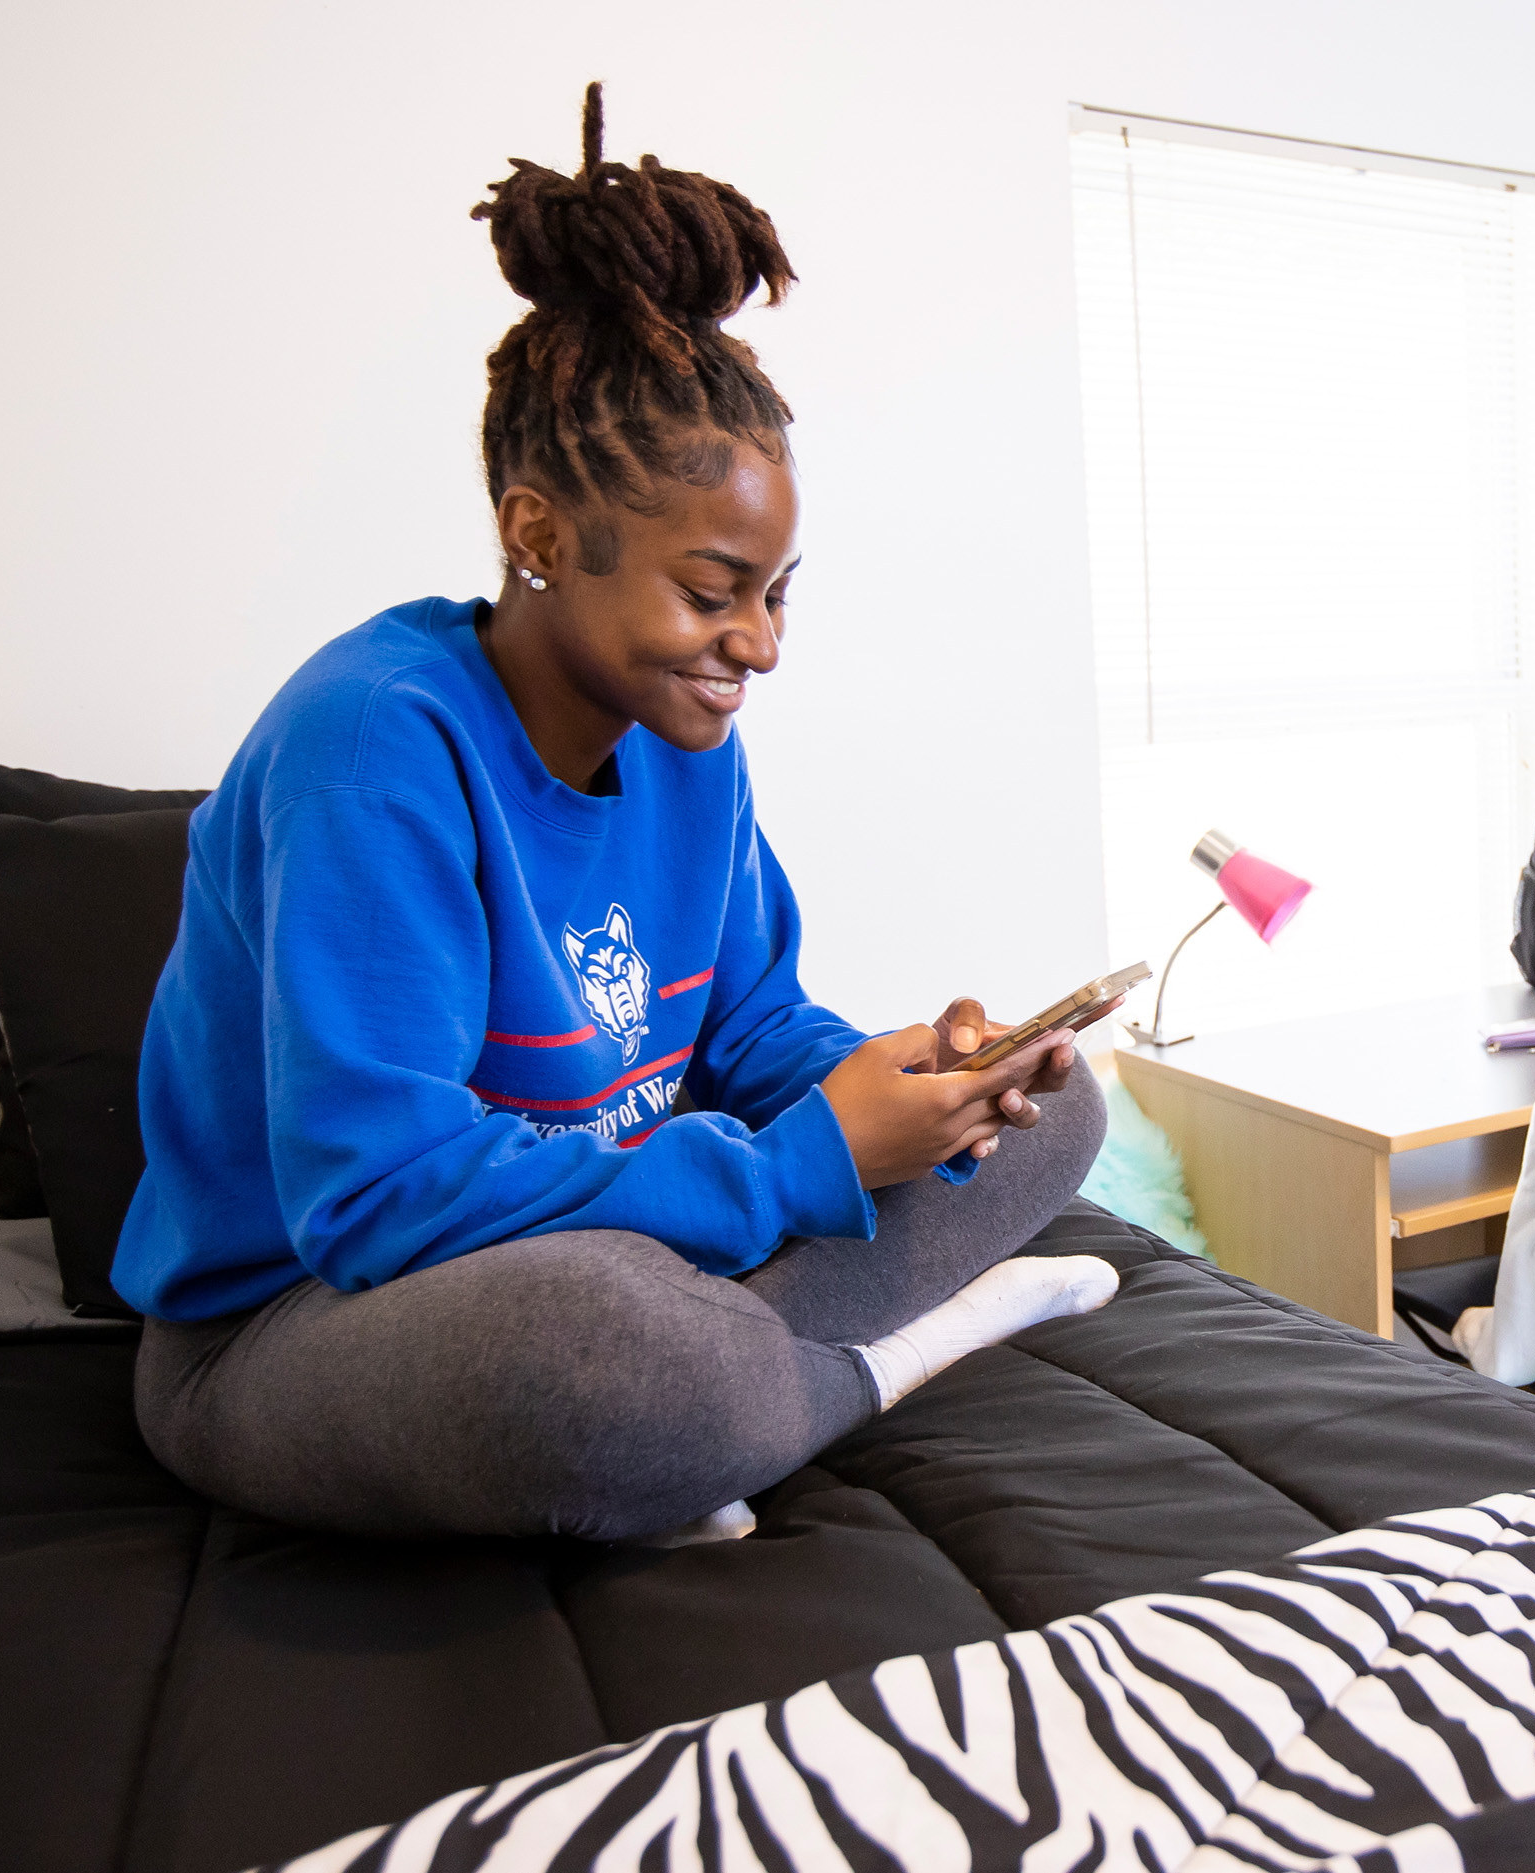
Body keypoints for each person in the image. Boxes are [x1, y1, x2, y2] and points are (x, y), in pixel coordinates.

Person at [111, 87, 1118, 1546]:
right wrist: (798, 1168)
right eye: (712, 594)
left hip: (603, 1244)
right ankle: (874, 1361)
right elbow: (375, 1198)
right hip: (299, 1320)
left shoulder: (684, 733)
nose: (758, 645)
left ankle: (734, 1394)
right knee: (613, 1359)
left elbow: (754, 1031)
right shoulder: (370, 745)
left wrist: (909, 1081)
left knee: (1059, 1103)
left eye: (776, 596)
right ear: (537, 535)